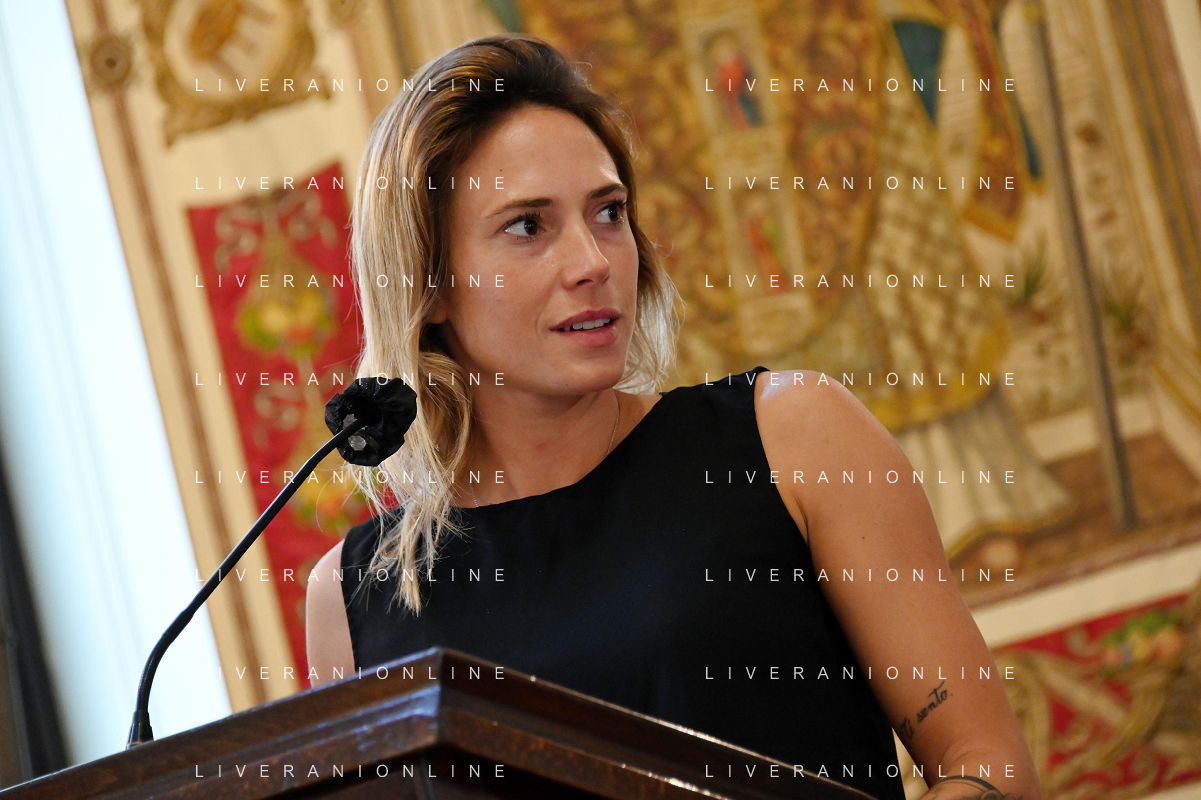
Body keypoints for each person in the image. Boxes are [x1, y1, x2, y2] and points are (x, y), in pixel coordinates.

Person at [305, 33, 1041, 800]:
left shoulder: (794, 435)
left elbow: (990, 766)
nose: (593, 261)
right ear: (428, 283)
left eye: (608, 212)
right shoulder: (351, 603)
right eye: (528, 226)